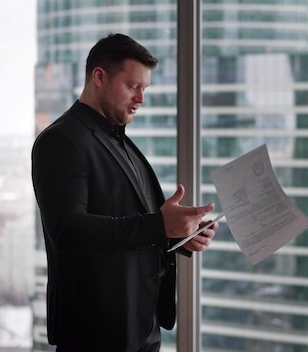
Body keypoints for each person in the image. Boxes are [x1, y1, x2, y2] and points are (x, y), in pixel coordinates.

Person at [31, 33, 217, 352]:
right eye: (133, 86)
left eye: (144, 89)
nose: (140, 98)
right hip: (95, 336)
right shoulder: (62, 140)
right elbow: (68, 230)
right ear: (99, 77)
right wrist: (159, 226)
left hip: (141, 330)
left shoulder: (123, 143)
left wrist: (180, 235)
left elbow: (132, 225)